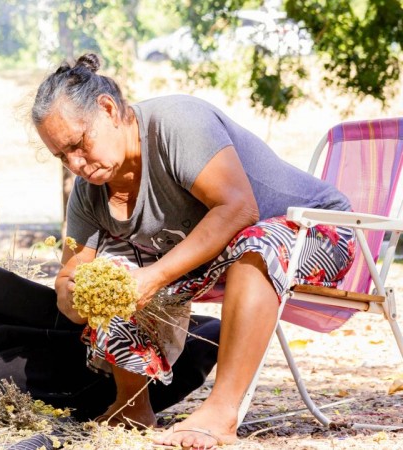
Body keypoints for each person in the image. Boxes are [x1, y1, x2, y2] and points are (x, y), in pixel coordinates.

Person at [31, 53, 354, 448]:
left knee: (257, 242)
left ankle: (221, 412)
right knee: (108, 274)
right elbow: (69, 276)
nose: (75, 164)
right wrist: (76, 294)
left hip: (322, 235)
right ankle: (132, 405)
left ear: (108, 109)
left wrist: (153, 277)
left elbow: (239, 209)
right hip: (224, 258)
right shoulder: (89, 193)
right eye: (62, 156)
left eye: (79, 144)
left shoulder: (177, 123)